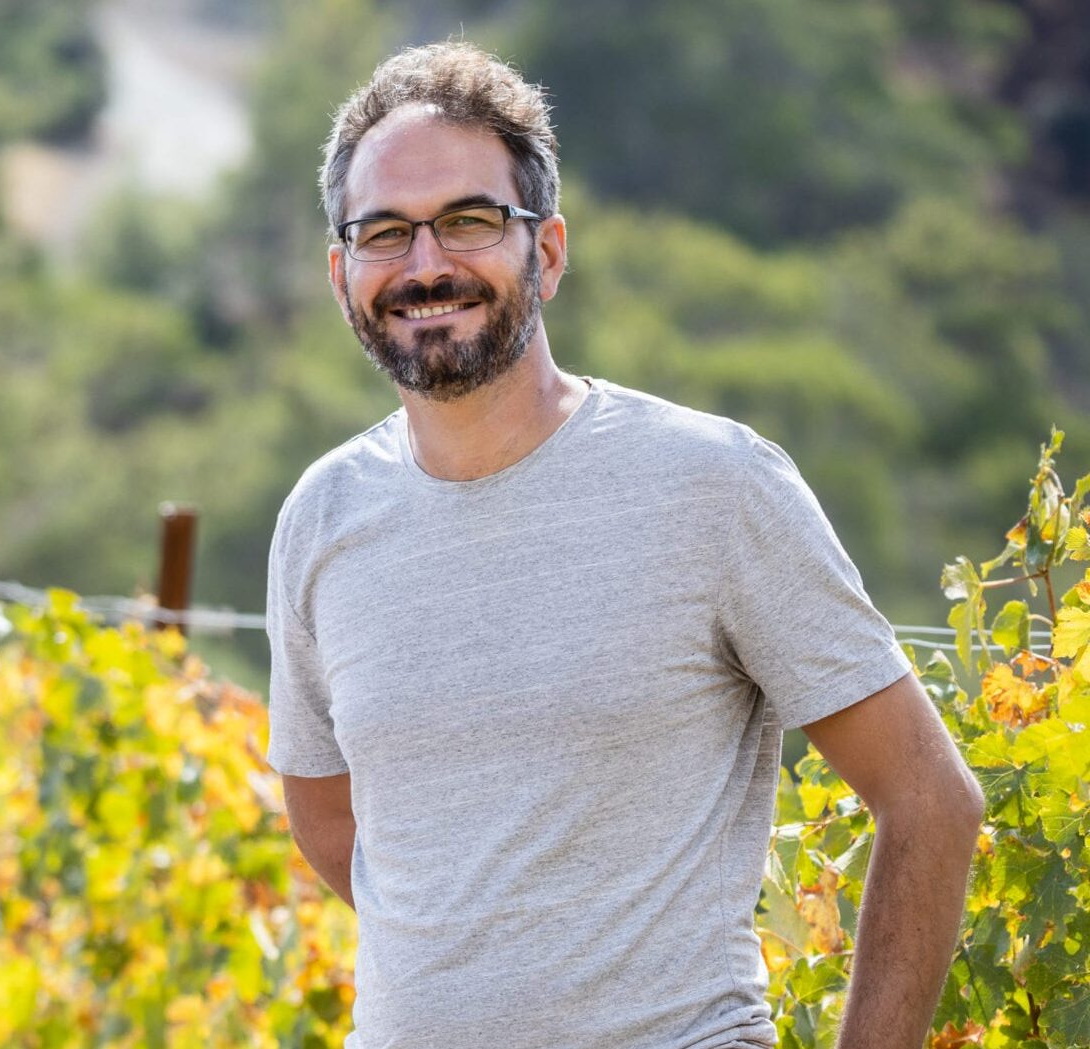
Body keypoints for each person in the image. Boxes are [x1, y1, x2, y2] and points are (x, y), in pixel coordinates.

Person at [266, 42, 985, 1049]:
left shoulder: (713, 485)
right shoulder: (322, 516)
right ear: (343, 274)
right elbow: (333, 826)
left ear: (546, 251)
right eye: (384, 233)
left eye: (469, 221)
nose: (425, 265)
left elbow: (928, 799)